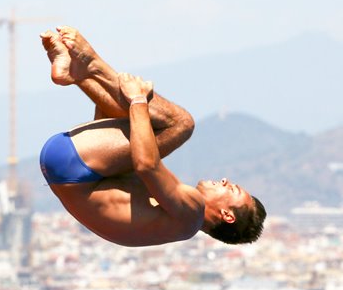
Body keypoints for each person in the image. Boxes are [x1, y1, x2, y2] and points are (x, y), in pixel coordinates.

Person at [39, 26, 266, 246]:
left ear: (227, 215)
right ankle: (80, 74)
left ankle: (90, 63)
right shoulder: (176, 220)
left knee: (181, 124)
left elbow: (147, 165)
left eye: (232, 189)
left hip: (75, 166)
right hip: (68, 166)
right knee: (140, 130)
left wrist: (138, 100)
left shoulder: (192, 212)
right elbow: (129, 155)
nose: (226, 181)